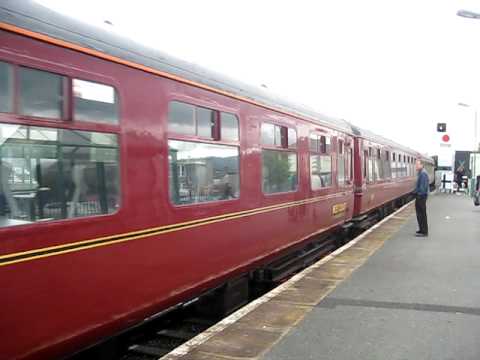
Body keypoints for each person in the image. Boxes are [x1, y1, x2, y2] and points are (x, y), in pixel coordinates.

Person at [414, 159, 429, 237]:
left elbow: (422, 188)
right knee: (420, 214)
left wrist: (417, 193)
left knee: (421, 214)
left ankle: (424, 232)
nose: (415, 166)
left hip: (421, 196)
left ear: (421, 165)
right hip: (421, 196)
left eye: (417, 164)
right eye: (415, 164)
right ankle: (421, 229)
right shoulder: (421, 173)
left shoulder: (423, 174)